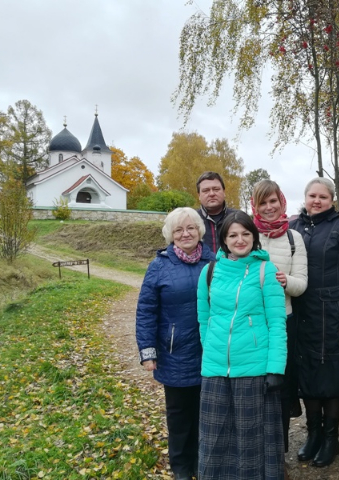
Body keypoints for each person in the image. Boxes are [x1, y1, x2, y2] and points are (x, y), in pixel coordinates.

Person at [196, 210, 288, 480]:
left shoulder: (266, 271)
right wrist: (210, 349)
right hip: (215, 369)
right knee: (215, 436)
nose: (240, 240)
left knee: (250, 438)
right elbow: (204, 317)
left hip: (254, 367)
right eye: (233, 235)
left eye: (246, 234)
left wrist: (275, 368)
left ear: (254, 236)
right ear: (224, 239)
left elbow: (277, 323)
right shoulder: (209, 272)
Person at [135, 208, 216, 480]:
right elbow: (146, 310)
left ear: (199, 231)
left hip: (209, 351)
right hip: (175, 353)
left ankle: (202, 462)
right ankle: (181, 465)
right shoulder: (159, 266)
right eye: (179, 230)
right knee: (179, 413)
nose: (185, 234)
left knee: (206, 412)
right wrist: (148, 352)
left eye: (190, 228)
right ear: (170, 234)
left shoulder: (214, 262)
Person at [289, 177, 339, 468]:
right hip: (302, 314)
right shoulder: (295, 227)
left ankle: (331, 438)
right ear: (305, 197)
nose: (317, 201)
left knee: (332, 377)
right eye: (312, 196)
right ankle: (314, 434)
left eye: (323, 196)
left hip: (333, 315)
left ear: (332, 199)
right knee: (308, 374)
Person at [251, 180, 308, 454]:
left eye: (273, 201)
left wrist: (286, 282)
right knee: (252, 386)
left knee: (281, 388)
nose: (268, 207)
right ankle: (254, 449)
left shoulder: (294, 238)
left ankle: (279, 452)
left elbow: (302, 284)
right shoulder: (247, 233)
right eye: (262, 202)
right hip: (250, 324)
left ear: (281, 201)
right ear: (255, 206)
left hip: (283, 322)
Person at [195, 171, 238, 252]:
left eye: (216, 189)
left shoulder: (238, 217)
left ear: (224, 192)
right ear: (199, 195)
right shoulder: (191, 219)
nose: (211, 194)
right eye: (206, 191)